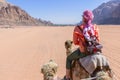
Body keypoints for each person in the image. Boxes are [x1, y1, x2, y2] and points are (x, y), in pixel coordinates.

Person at [64, 10, 100, 80]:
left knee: (68, 58)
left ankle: (67, 77)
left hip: (83, 52)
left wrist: (81, 43)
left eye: (82, 17)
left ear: (84, 18)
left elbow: (75, 42)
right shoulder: (95, 27)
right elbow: (98, 40)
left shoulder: (78, 28)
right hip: (95, 51)